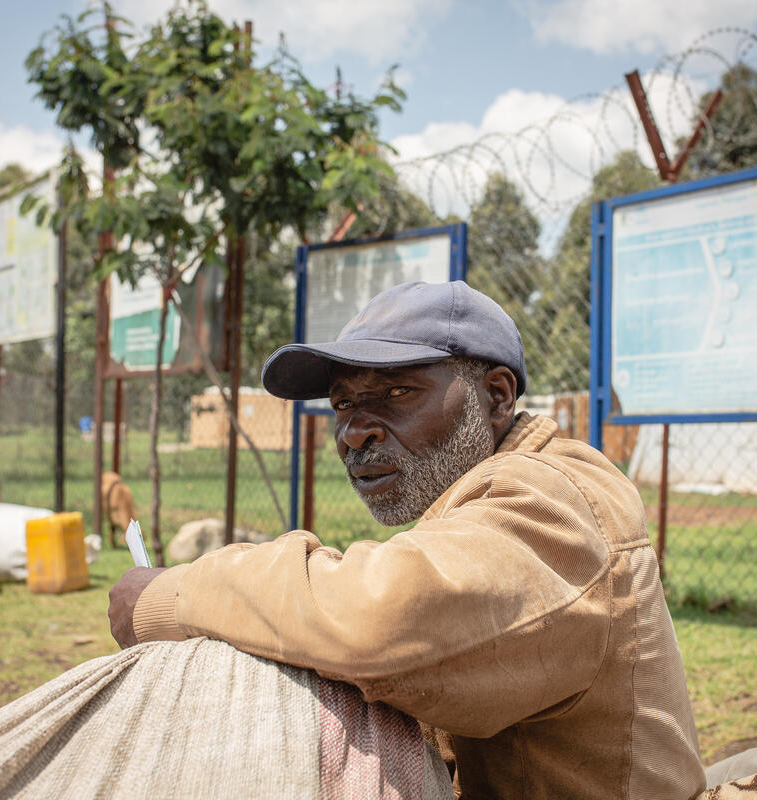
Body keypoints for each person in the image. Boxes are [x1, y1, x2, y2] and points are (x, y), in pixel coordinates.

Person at [108, 280, 705, 799]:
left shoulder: (551, 496)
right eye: (343, 403)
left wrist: (171, 593)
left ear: (495, 397)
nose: (354, 433)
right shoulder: (480, 494)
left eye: (397, 394)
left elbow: (385, 614)